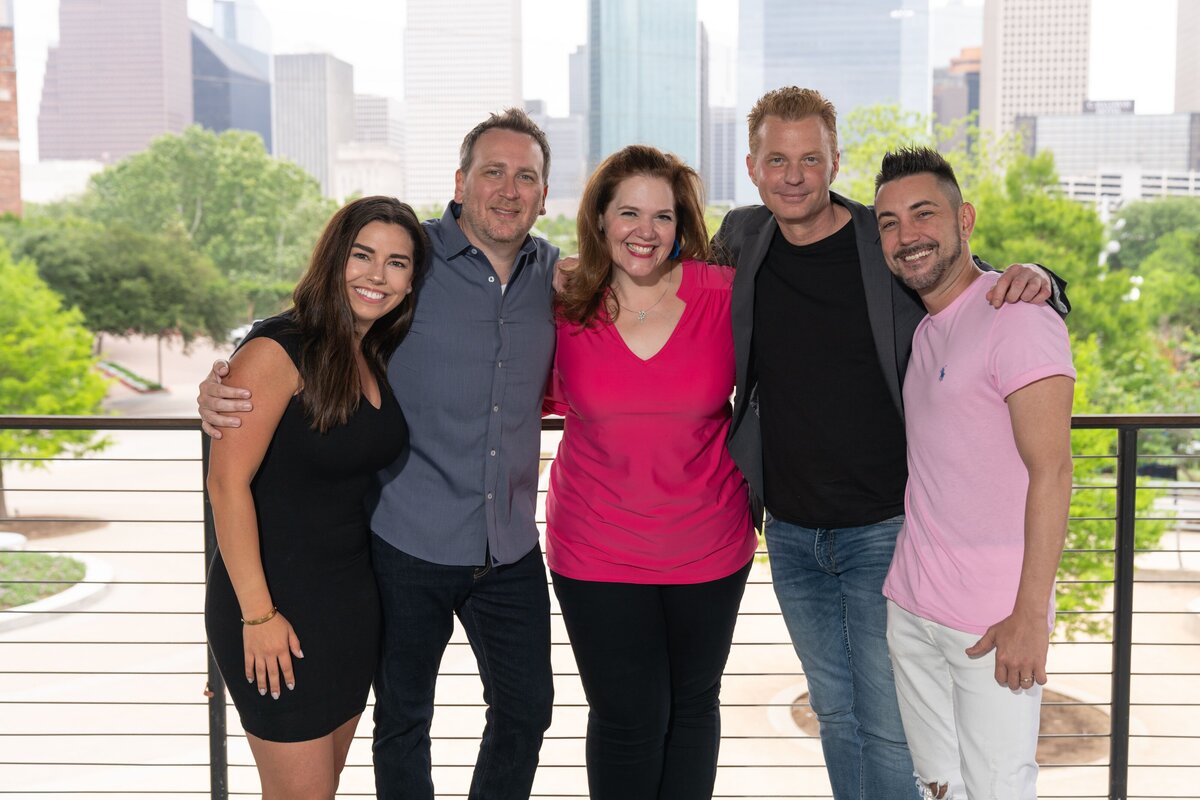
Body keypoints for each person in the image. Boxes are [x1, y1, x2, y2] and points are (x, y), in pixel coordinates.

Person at [711, 87, 1069, 800]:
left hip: (885, 529)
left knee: (890, 725)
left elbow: (979, 280)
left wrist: (1048, 282)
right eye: (776, 160)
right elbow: (654, 267)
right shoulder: (742, 237)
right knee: (836, 715)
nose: (793, 175)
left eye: (810, 158)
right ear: (751, 166)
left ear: (834, 161)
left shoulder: (885, 245)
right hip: (789, 531)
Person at [199, 109, 558, 800]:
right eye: (492, 172)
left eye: (527, 177)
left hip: (507, 547)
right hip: (406, 543)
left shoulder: (556, 274)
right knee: (403, 724)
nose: (509, 190)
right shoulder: (414, 260)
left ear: (544, 195)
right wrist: (221, 384)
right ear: (460, 182)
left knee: (526, 711)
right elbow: (302, 332)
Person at [546, 145, 758, 799]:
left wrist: (1021, 277)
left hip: (710, 544)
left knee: (693, 708)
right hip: (595, 548)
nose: (646, 231)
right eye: (629, 213)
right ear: (601, 220)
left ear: (682, 223)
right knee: (629, 719)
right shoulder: (561, 302)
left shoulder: (724, 294)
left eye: (662, 216)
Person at [204, 196, 427, 799]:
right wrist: (257, 615)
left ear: (412, 281)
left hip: (348, 610)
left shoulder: (371, 353)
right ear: (334, 258)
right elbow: (226, 484)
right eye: (363, 255)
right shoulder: (277, 349)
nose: (377, 275)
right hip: (272, 608)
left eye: (398, 263)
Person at [873, 146, 1074, 799]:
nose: (907, 236)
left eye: (922, 214)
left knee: (998, 789)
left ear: (965, 220)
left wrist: (1030, 617)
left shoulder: (1018, 316)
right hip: (913, 604)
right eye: (889, 223)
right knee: (937, 787)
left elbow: (1053, 472)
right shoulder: (928, 328)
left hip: (992, 623)